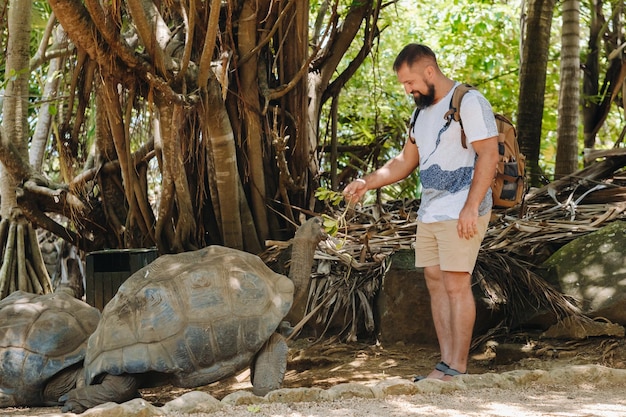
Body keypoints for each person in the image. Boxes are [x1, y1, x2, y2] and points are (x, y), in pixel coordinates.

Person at [343, 44, 499, 381]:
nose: (408, 89)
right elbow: (404, 162)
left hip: (462, 208)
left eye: (410, 82)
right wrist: (366, 182)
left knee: (457, 283)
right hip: (430, 211)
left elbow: (489, 155)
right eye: (403, 84)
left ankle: (457, 368)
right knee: (435, 282)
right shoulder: (421, 113)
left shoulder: (468, 101)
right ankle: (444, 364)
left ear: (429, 71)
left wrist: (471, 206)